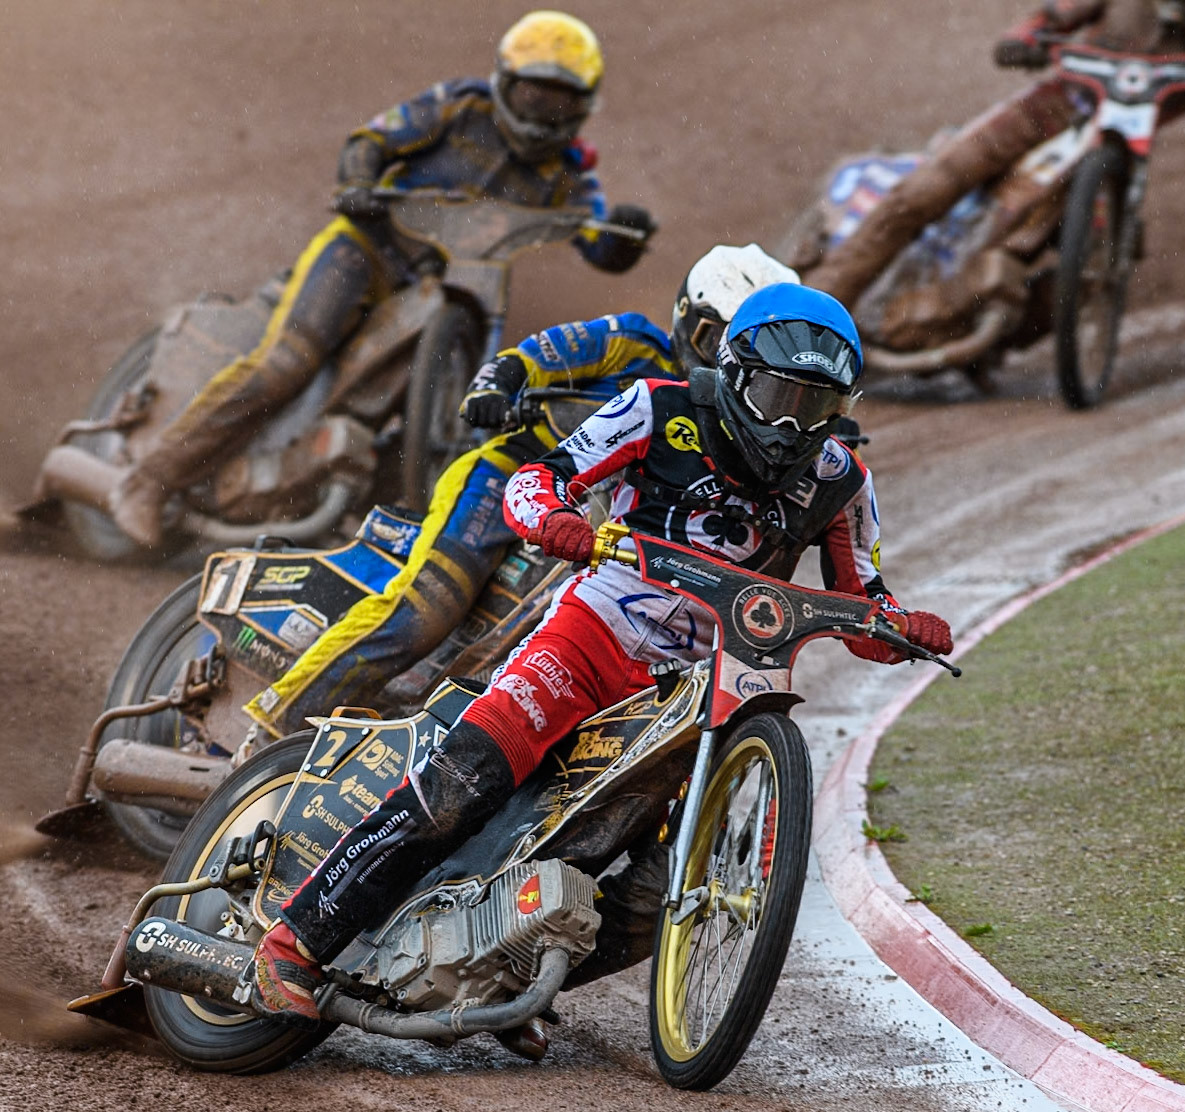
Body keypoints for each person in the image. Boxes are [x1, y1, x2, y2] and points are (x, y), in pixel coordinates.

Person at [246, 283, 954, 1024]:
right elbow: (536, 478)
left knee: (653, 889)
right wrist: (554, 519)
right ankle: (296, 940)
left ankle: (508, 982)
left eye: (811, 405)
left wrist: (905, 630)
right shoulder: (658, 406)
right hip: (588, 640)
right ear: (735, 373)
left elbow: (862, 604)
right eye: (776, 394)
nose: (787, 422)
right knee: (464, 780)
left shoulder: (841, 480)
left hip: (693, 691)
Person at [108, 10, 655, 548]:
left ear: (583, 107)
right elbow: (371, 139)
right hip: (367, 252)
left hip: (448, 291)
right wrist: (359, 182)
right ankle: (148, 482)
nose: (543, 115)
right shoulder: (461, 106)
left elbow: (597, 240)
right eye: (534, 96)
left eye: (559, 102)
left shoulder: (569, 172)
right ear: (505, 83)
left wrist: (625, 235)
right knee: (287, 364)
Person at [246, 243, 802, 740]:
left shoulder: (739, 431)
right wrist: (498, 383)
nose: (719, 364)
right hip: (508, 477)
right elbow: (536, 354)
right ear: (688, 318)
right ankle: (275, 723)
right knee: (426, 611)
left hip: (607, 534)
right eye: (713, 340)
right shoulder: (633, 344)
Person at [801, 0, 1185, 308]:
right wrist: (1025, 38)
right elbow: (1049, 18)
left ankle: (1000, 320)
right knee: (924, 191)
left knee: (1078, 254)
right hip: (1045, 110)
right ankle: (816, 309)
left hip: (1108, 158)